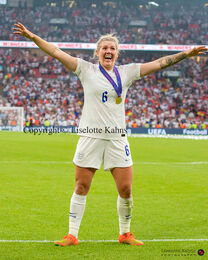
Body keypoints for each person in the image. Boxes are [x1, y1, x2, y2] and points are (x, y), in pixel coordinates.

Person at [13, 22, 207, 246]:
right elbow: (56, 52)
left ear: (117, 52)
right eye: (104, 47)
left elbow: (158, 64)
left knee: (125, 188)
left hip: (117, 138)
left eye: (112, 48)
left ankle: (125, 233)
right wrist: (33, 37)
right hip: (90, 136)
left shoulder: (126, 73)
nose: (108, 51)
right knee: (81, 186)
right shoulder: (85, 69)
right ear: (97, 52)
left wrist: (186, 53)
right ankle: (72, 235)